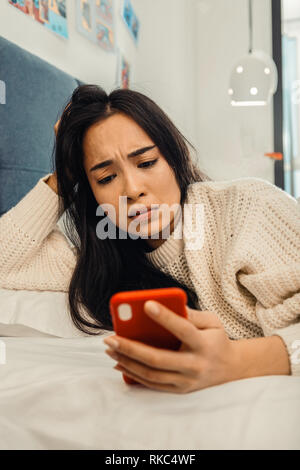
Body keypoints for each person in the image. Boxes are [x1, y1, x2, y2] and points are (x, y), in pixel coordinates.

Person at [0, 85, 299, 394]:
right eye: (105, 178)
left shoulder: (247, 209)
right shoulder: (102, 261)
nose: (132, 189)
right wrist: (64, 175)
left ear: (173, 157)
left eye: (146, 163)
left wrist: (234, 362)